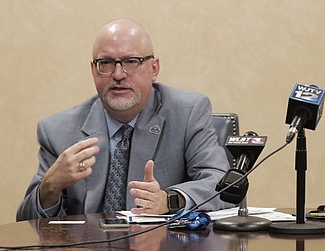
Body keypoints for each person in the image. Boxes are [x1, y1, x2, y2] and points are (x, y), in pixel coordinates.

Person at [17, 18, 231, 221]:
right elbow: (25, 225)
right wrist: (49, 187)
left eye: (131, 62)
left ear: (154, 69)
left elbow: (223, 186)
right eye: (106, 63)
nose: (118, 74)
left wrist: (169, 201)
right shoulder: (57, 131)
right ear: (93, 70)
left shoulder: (188, 113)